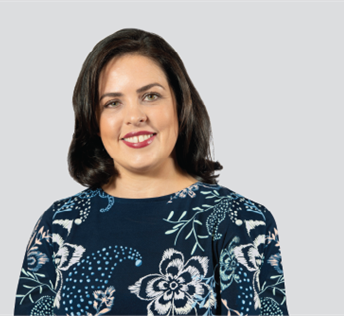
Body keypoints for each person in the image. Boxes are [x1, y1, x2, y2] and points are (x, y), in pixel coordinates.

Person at [14, 28, 289, 316]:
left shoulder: (241, 222)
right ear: (94, 121)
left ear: (180, 105)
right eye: (112, 103)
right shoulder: (58, 226)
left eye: (150, 96)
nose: (135, 117)